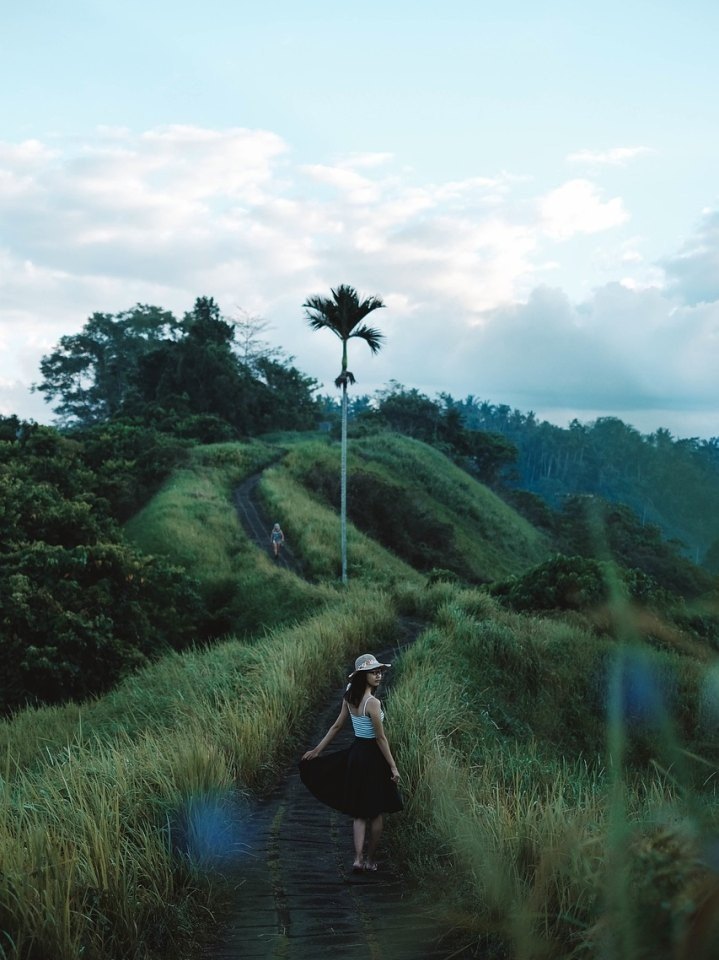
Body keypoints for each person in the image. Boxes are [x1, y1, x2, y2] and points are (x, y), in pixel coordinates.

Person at [299, 653, 402, 873]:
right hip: (372, 756)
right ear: (363, 676)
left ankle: (357, 859)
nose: (378, 676)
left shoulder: (349, 697)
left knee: (359, 811)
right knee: (375, 811)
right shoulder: (373, 703)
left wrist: (318, 750)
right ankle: (370, 860)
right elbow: (380, 738)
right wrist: (393, 766)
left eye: (379, 672)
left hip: (356, 755)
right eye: (373, 672)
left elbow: (336, 727)